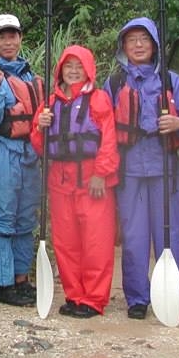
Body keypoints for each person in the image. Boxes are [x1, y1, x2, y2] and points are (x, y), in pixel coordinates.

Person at [104, 17, 179, 321]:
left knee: (168, 237)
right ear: (124, 47)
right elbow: (102, 127)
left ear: (155, 44)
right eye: (132, 40)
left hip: (165, 170)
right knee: (134, 238)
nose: (139, 45)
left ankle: (171, 297)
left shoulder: (171, 81)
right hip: (129, 171)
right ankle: (138, 298)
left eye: (144, 39)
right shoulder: (116, 83)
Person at [30, 45, 119, 318]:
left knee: (96, 243)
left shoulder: (99, 99)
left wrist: (101, 174)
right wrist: (39, 126)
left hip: (93, 181)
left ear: (89, 69)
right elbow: (39, 145)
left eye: (78, 66)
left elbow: (108, 140)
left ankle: (93, 300)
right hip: (61, 181)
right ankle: (74, 295)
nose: (73, 71)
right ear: (59, 70)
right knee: (66, 243)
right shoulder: (50, 104)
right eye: (68, 66)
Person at [0, 14, 43, 307]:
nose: (8, 41)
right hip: (1, 151)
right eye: (2, 36)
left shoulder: (30, 75)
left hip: (29, 152)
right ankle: (2, 284)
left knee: (25, 219)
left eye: (12, 35)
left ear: (20, 38)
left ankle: (20, 278)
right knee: (2, 218)